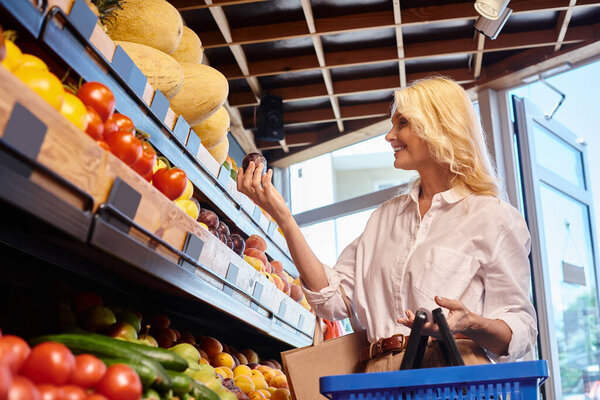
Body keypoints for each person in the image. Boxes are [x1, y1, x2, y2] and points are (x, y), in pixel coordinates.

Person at [236, 76, 537, 372]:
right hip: (379, 372)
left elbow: (520, 329)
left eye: (402, 123)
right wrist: (284, 218)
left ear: (440, 127)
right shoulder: (385, 218)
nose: (389, 136)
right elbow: (331, 299)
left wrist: (472, 323)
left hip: (450, 370)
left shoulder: (494, 218)